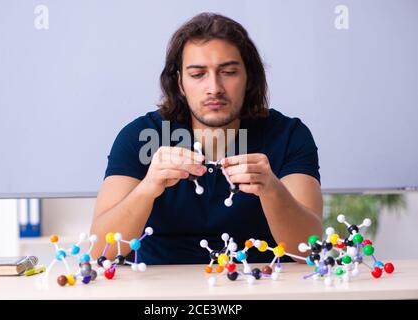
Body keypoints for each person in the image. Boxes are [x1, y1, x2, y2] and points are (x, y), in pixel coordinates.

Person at [90, 13, 323, 264]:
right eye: (198, 74)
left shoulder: (288, 135)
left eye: (229, 72)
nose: (214, 88)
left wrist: (272, 190)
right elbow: (99, 253)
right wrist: (148, 188)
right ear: (180, 82)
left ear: (249, 78)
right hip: (161, 289)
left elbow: (309, 252)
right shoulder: (139, 136)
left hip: (261, 285)